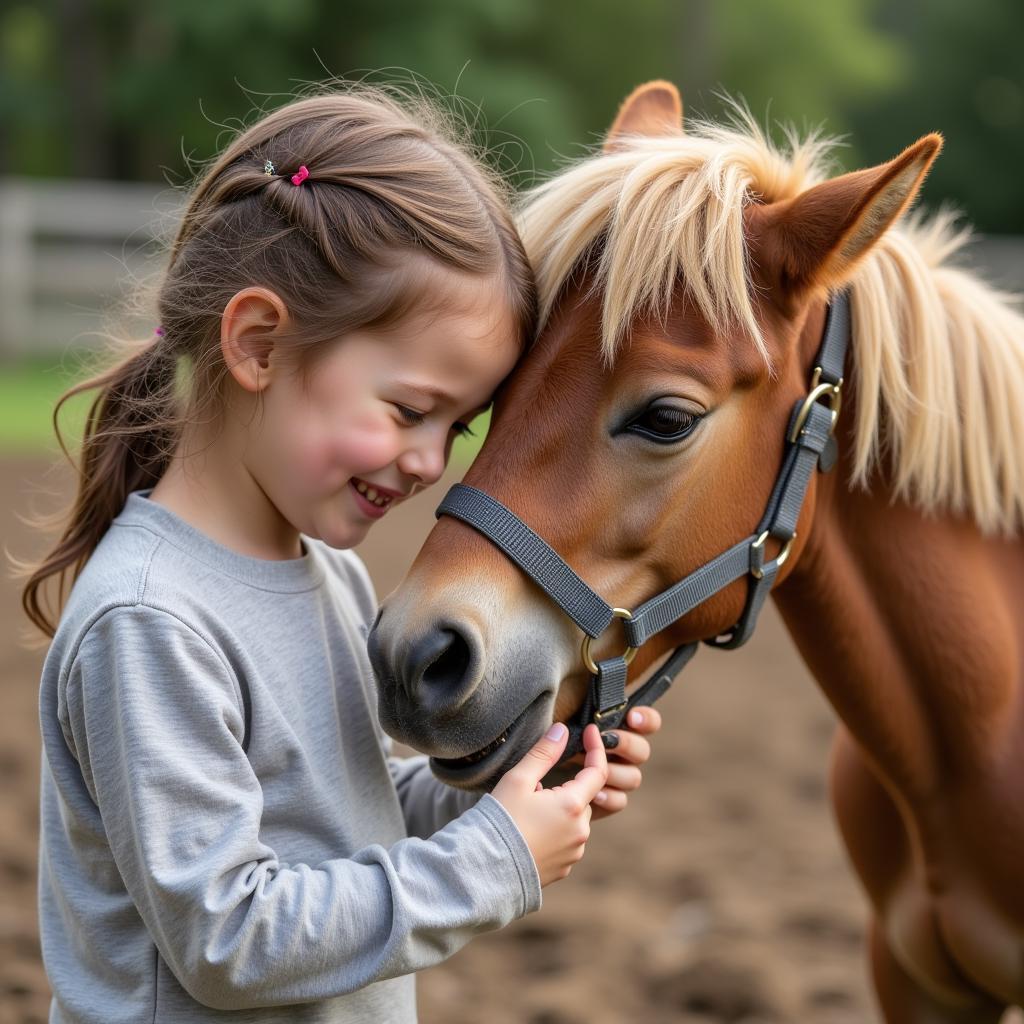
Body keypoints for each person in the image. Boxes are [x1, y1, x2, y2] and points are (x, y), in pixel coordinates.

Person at [21, 84, 662, 1023]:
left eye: (459, 427)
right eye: (409, 410)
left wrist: (516, 786)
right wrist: (496, 859)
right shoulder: (150, 621)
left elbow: (343, 824)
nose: (431, 462)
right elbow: (226, 939)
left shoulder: (325, 573)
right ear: (257, 343)